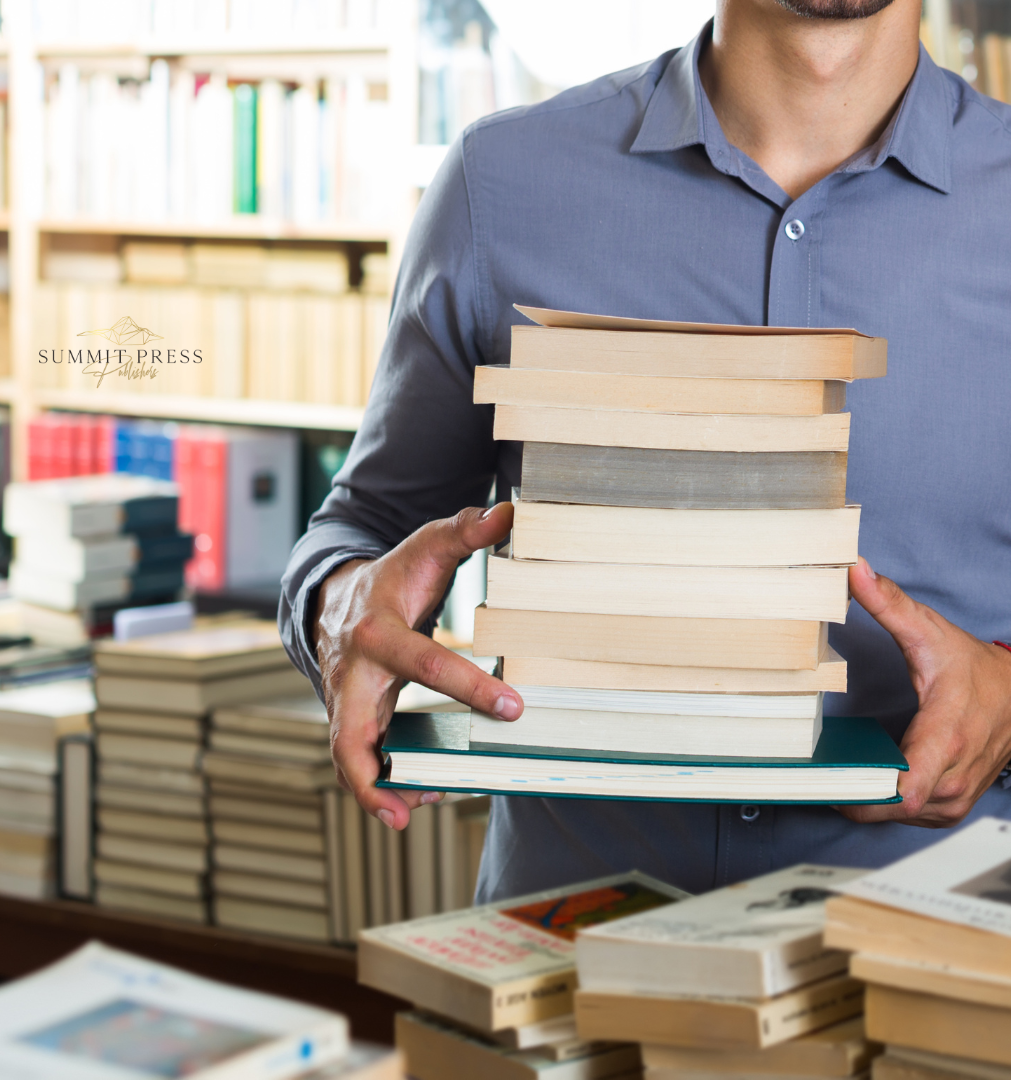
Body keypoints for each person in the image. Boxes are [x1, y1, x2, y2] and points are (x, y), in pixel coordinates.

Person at [280, 0, 1011, 900]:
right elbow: (361, 529)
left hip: (946, 978)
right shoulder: (500, 183)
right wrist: (341, 607)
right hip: (564, 966)